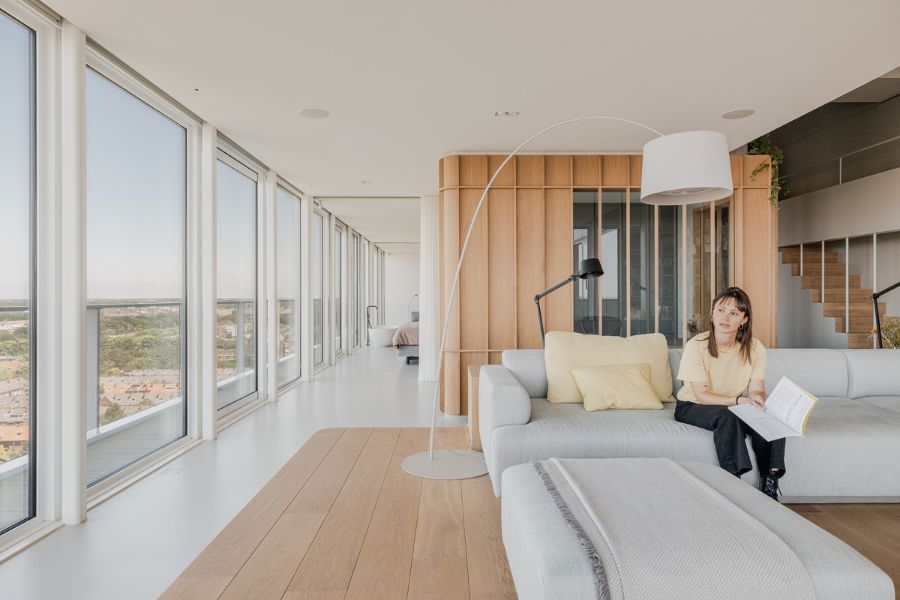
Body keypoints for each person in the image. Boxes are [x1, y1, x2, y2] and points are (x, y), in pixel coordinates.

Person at [674, 286, 785, 500]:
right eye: (721, 310)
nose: (726, 317)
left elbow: (756, 387)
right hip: (693, 404)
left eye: (734, 313)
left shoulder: (754, 348)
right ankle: (734, 482)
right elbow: (701, 394)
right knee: (727, 416)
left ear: (743, 319)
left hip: (733, 405)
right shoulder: (696, 346)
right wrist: (737, 400)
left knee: (770, 415)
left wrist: (757, 400)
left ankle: (770, 481)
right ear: (712, 314)